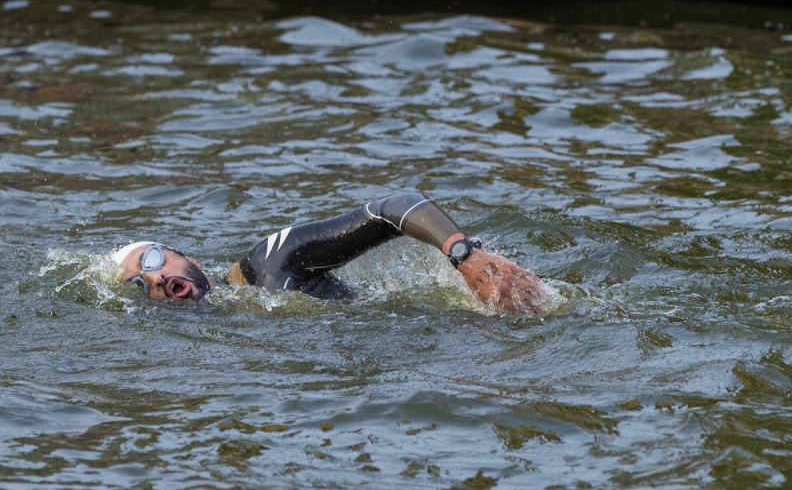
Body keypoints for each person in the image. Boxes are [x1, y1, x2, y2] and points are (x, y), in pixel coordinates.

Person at [113, 192, 547, 313]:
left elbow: (389, 209)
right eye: (140, 284)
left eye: (151, 261)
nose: (153, 278)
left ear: (187, 257)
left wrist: (465, 255)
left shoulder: (269, 262)